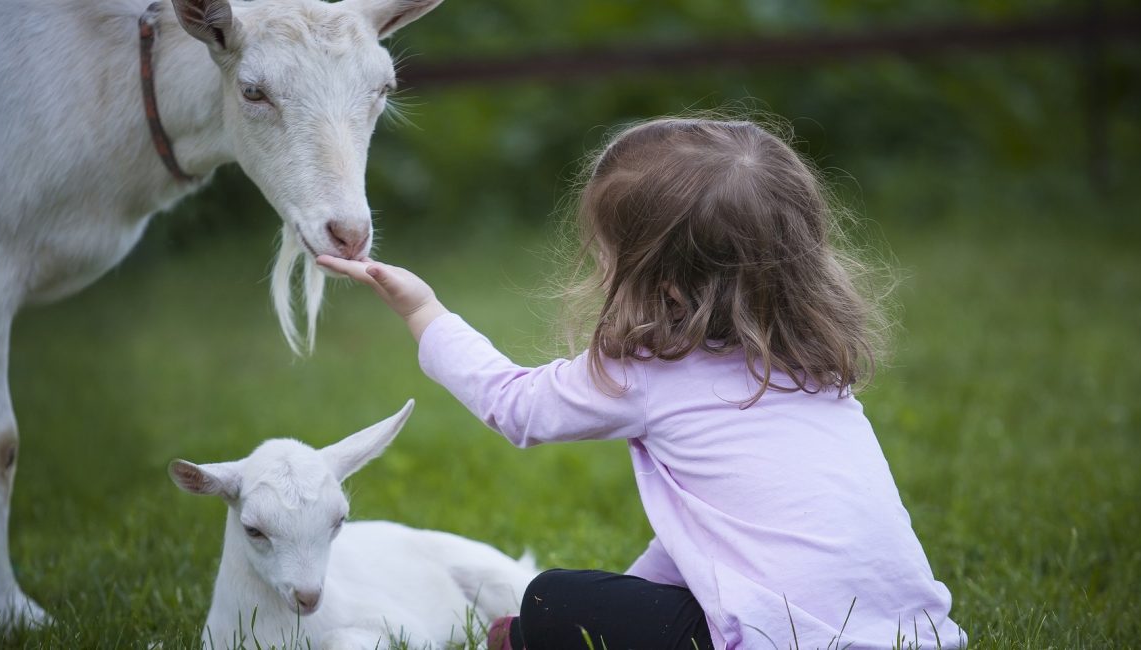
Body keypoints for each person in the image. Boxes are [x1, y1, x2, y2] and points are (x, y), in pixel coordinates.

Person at [317, 118, 966, 650]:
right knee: (589, 604)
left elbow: (512, 404)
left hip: (777, 641)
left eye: (607, 255)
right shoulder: (816, 370)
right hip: (915, 637)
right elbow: (706, 530)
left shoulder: (649, 372)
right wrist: (627, 599)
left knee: (548, 599)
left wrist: (423, 311)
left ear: (668, 286)